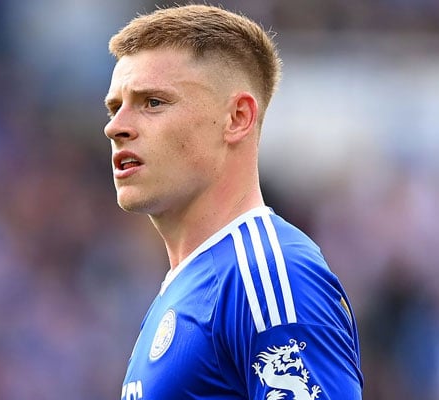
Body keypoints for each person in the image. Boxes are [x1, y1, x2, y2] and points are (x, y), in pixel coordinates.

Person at [103, 4, 363, 400]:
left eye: (152, 102)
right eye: (114, 107)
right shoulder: (189, 285)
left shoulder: (268, 275)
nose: (115, 127)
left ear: (238, 118)